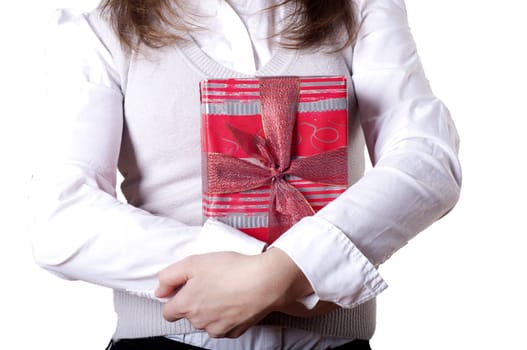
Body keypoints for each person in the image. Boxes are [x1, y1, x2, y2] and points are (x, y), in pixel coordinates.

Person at [28, 0, 462, 349]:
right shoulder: (97, 30)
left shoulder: (361, 10)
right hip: (165, 341)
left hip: (331, 345)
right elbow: (62, 216)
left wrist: (287, 269)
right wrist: (270, 273)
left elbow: (425, 160)